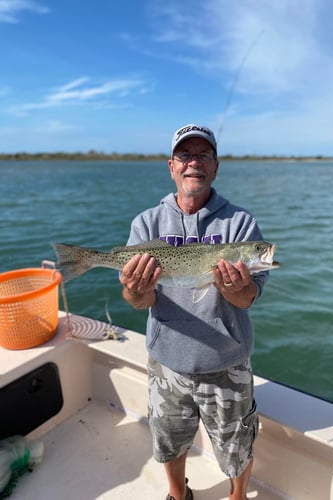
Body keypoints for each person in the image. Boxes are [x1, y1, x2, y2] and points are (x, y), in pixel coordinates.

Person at [120, 123, 268, 500]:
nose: (194, 163)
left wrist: (240, 287)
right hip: (167, 361)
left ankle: (236, 496)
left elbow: (249, 298)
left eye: (203, 155)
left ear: (215, 166)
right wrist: (136, 289)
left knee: (237, 448)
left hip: (227, 363)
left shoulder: (240, 224)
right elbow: (138, 301)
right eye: (185, 155)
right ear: (171, 166)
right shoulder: (146, 223)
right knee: (170, 441)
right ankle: (177, 493)